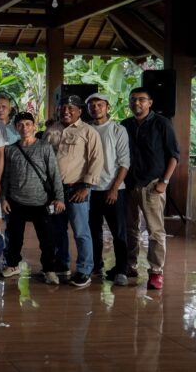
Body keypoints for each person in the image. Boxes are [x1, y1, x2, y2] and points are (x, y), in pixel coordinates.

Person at [121, 87, 179, 290]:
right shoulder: (125, 125)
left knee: (155, 230)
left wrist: (164, 182)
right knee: (130, 228)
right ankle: (131, 265)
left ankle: (156, 271)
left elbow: (174, 155)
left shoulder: (162, 123)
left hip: (153, 185)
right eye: (133, 99)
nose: (136, 103)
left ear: (150, 103)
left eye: (141, 99)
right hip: (129, 184)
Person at [44, 95, 104, 287]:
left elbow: (96, 160)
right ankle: (62, 264)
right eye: (62, 107)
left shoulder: (88, 132)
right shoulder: (51, 130)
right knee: (57, 230)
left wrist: (86, 187)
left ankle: (85, 270)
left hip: (77, 188)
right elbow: (43, 157)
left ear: (79, 111)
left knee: (81, 231)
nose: (66, 111)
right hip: (54, 191)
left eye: (71, 108)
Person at [0, 112, 66, 284]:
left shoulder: (44, 147)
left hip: (41, 201)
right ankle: (12, 264)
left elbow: (54, 174)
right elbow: (5, 176)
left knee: (47, 238)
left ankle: (49, 269)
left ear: (34, 126)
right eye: (20, 125)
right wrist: (3, 198)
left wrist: (59, 197)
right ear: (16, 128)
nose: (24, 128)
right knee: (14, 236)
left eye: (28, 124)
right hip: (16, 201)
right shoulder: (10, 149)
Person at [86, 93, 131, 286]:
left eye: (100, 105)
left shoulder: (117, 130)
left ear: (107, 107)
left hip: (113, 189)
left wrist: (114, 188)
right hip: (90, 190)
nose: (96, 108)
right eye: (92, 105)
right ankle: (96, 265)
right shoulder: (86, 129)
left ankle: (121, 269)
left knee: (118, 232)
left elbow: (124, 162)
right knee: (92, 231)